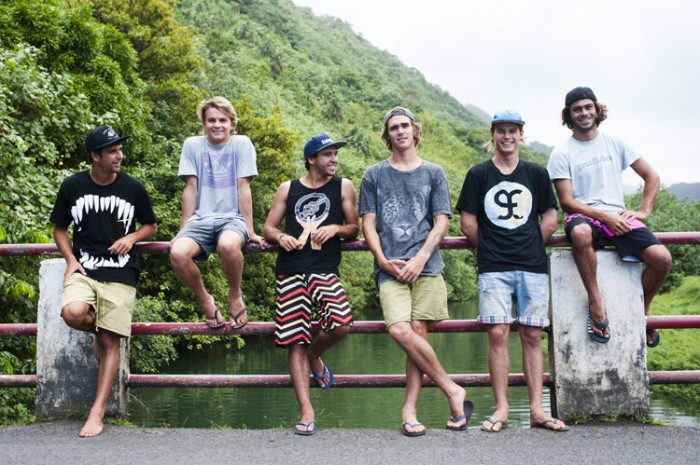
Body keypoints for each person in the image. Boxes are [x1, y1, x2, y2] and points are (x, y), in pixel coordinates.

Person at [359, 106, 473, 437]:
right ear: (387, 135)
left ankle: (410, 409)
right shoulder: (374, 174)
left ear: (415, 130)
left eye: (405, 125)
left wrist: (422, 257)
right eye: (393, 127)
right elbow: (368, 222)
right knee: (400, 331)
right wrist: (380, 259)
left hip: (427, 265)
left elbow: (441, 220)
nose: (400, 131)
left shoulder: (434, 172)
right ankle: (453, 390)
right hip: (390, 266)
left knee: (417, 333)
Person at [457, 111, 568, 432]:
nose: (507, 136)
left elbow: (550, 217)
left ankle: (537, 410)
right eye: (501, 131)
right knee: (497, 334)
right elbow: (467, 223)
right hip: (493, 269)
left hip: (532, 266)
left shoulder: (535, 173)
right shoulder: (478, 174)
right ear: (492, 135)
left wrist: (531, 244)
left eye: (513, 131)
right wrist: (493, 248)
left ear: (521, 135)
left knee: (533, 335)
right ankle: (502, 408)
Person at [50, 126, 158, 437]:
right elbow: (59, 228)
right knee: (71, 313)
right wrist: (71, 260)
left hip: (122, 273)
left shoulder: (133, 188)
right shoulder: (73, 186)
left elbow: (150, 226)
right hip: (86, 270)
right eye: (112, 151)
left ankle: (96, 414)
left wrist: (132, 237)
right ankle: (101, 327)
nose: (119, 156)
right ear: (95, 156)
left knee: (110, 341)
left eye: (120, 149)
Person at [547, 87, 672, 346]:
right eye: (577, 109)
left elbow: (652, 176)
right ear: (569, 115)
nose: (583, 113)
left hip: (618, 215)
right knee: (580, 234)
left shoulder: (617, 143)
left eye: (587, 107)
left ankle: (642, 308)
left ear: (596, 109)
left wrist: (644, 210)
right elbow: (567, 202)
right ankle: (596, 303)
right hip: (585, 215)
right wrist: (604, 217)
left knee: (662, 259)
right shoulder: (562, 152)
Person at [263, 134, 359, 436]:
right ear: (311, 159)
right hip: (290, 270)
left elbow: (354, 229)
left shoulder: (342, 186)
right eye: (328, 154)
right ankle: (306, 410)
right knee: (295, 340)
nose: (334, 159)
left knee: (342, 323)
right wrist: (280, 237)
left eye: (335, 154)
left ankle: (314, 355)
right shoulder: (287, 188)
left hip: (324, 269)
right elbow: (268, 227)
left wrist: (336, 228)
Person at [170, 96, 263, 330]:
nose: (217, 125)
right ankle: (206, 300)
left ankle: (234, 296)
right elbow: (190, 188)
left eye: (223, 120)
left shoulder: (241, 144)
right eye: (211, 120)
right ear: (204, 123)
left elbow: (244, 187)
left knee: (228, 245)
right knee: (178, 253)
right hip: (201, 218)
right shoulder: (192, 145)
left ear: (232, 123)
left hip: (232, 218)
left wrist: (249, 229)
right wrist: (183, 229)